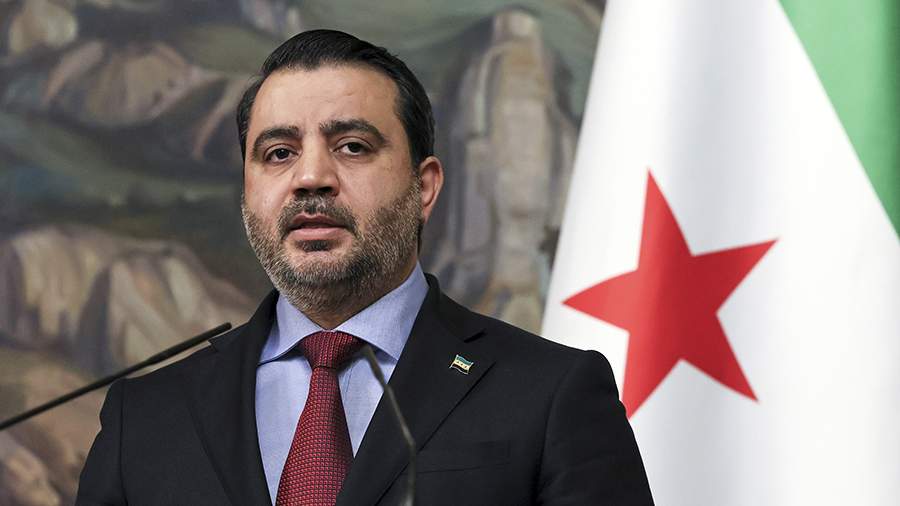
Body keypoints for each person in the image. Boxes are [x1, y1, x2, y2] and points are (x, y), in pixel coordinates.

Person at [76, 29, 653, 505]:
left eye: (352, 146)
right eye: (279, 153)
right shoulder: (145, 417)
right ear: (247, 190)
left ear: (423, 187)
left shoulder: (550, 393)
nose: (310, 177)